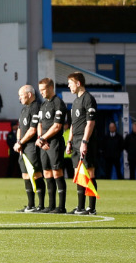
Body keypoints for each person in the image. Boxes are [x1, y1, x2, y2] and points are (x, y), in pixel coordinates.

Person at [66, 72, 99, 215]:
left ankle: (91, 208)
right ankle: (80, 207)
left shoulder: (88, 99)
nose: (68, 86)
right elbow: (73, 124)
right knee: (77, 172)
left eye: (70, 83)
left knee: (89, 171)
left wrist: (84, 142)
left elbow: (90, 123)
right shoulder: (75, 102)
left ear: (78, 83)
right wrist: (70, 141)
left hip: (86, 140)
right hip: (76, 141)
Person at [36, 78, 68, 214]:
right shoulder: (43, 105)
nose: (41, 92)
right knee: (47, 172)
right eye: (40, 90)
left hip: (54, 142)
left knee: (57, 172)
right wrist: (40, 139)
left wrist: (44, 138)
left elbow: (57, 126)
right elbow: (39, 124)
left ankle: (61, 207)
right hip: (44, 143)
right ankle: (51, 205)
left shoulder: (58, 103)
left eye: (43, 90)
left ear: (50, 88)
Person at [13, 85, 45, 212]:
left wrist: (20, 142)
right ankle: (30, 205)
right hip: (23, 147)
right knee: (25, 174)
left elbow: (32, 130)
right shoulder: (24, 110)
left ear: (29, 94)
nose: (19, 98)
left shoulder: (36, 107)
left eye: (21, 95)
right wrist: (18, 142)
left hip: (32, 146)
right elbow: (20, 128)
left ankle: (41, 205)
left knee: (36, 174)